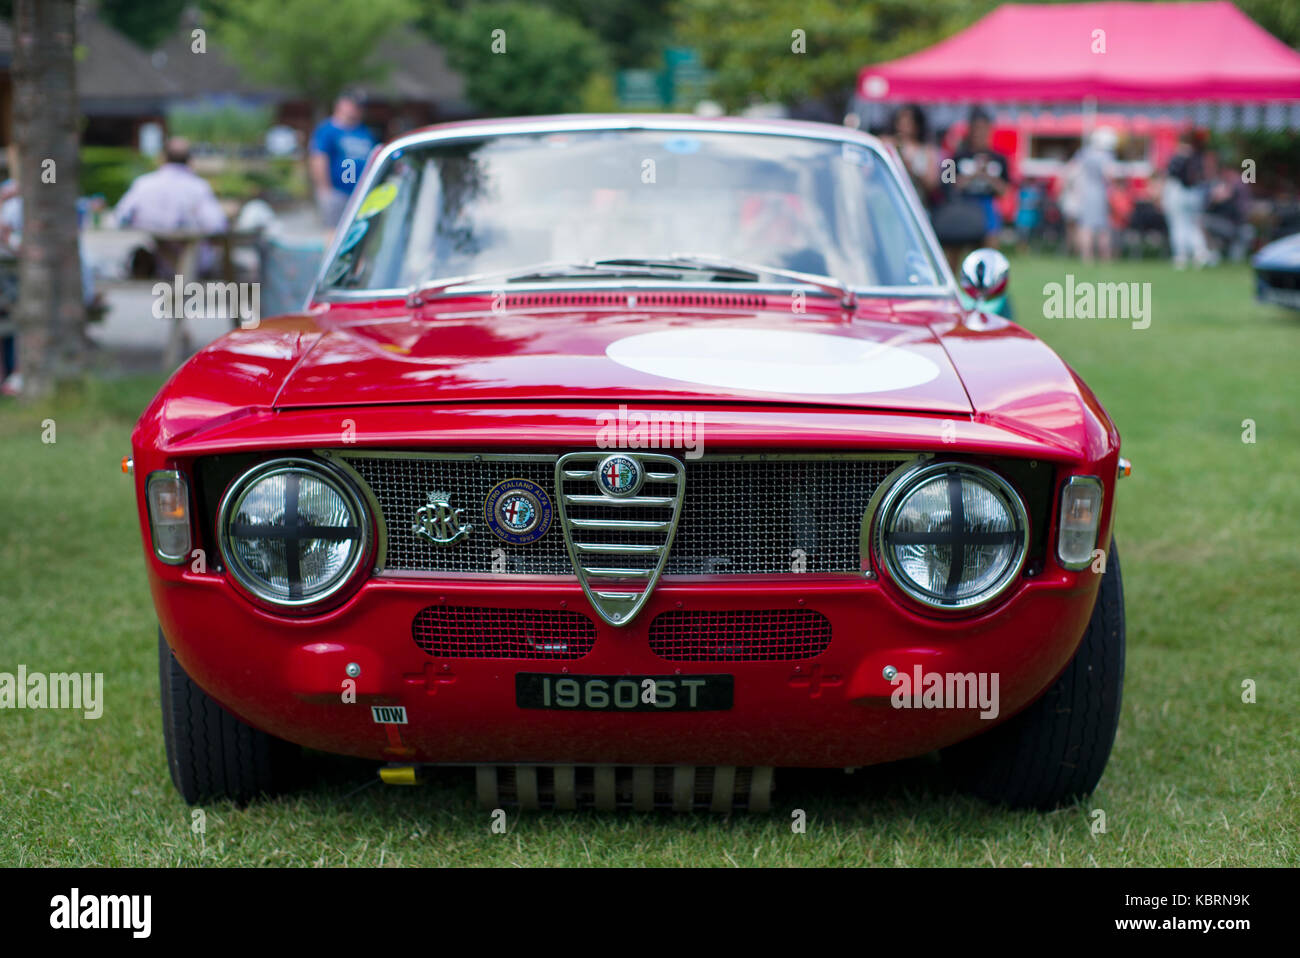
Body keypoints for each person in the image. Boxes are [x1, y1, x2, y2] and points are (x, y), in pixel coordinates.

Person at [115, 137, 228, 277]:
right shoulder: (198, 187)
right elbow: (216, 225)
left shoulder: (143, 184)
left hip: (155, 265)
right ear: (190, 160)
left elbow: (121, 217)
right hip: (194, 267)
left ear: (161, 158)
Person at [310, 93, 377, 228]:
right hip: (337, 192)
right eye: (351, 105)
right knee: (334, 232)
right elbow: (318, 158)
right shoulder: (327, 130)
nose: (355, 109)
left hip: (360, 193)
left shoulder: (364, 132)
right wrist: (324, 189)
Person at [951, 108, 1011, 250]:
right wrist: (973, 174)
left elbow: (1006, 191)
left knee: (990, 247)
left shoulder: (1000, 158)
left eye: (984, 128)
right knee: (954, 247)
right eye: (977, 128)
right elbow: (948, 186)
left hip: (988, 206)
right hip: (963, 205)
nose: (980, 133)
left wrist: (987, 176)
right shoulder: (956, 156)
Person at [1162, 131, 1212, 269]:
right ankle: (1200, 253)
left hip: (1179, 193)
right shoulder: (1198, 156)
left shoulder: (1179, 157)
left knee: (1179, 225)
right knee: (1193, 225)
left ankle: (1181, 256)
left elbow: (1171, 175)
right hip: (1194, 194)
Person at [1071, 127, 1116, 263]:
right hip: (1099, 192)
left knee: (1085, 226)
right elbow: (1109, 174)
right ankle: (1105, 257)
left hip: (1084, 192)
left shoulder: (1085, 153)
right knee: (1103, 227)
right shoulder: (1105, 156)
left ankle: (1086, 258)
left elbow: (1072, 170)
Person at [884, 104, 939, 209]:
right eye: (900, 121)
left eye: (908, 122)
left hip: (915, 204)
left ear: (917, 124)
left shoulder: (927, 150)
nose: (903, 126)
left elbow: (932, 184)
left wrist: (911, 168)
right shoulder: (887, 143)